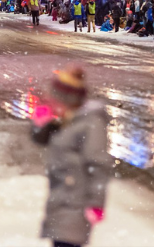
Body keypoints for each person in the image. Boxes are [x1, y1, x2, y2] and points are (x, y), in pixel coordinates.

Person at [31, 66, 110, 247]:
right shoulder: (64, 119)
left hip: (76, 202)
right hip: (60, 199)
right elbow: (40, 139)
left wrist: (96, 202)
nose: (51, 100)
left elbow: (98, 163)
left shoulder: (90, 122)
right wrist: (40, 123)